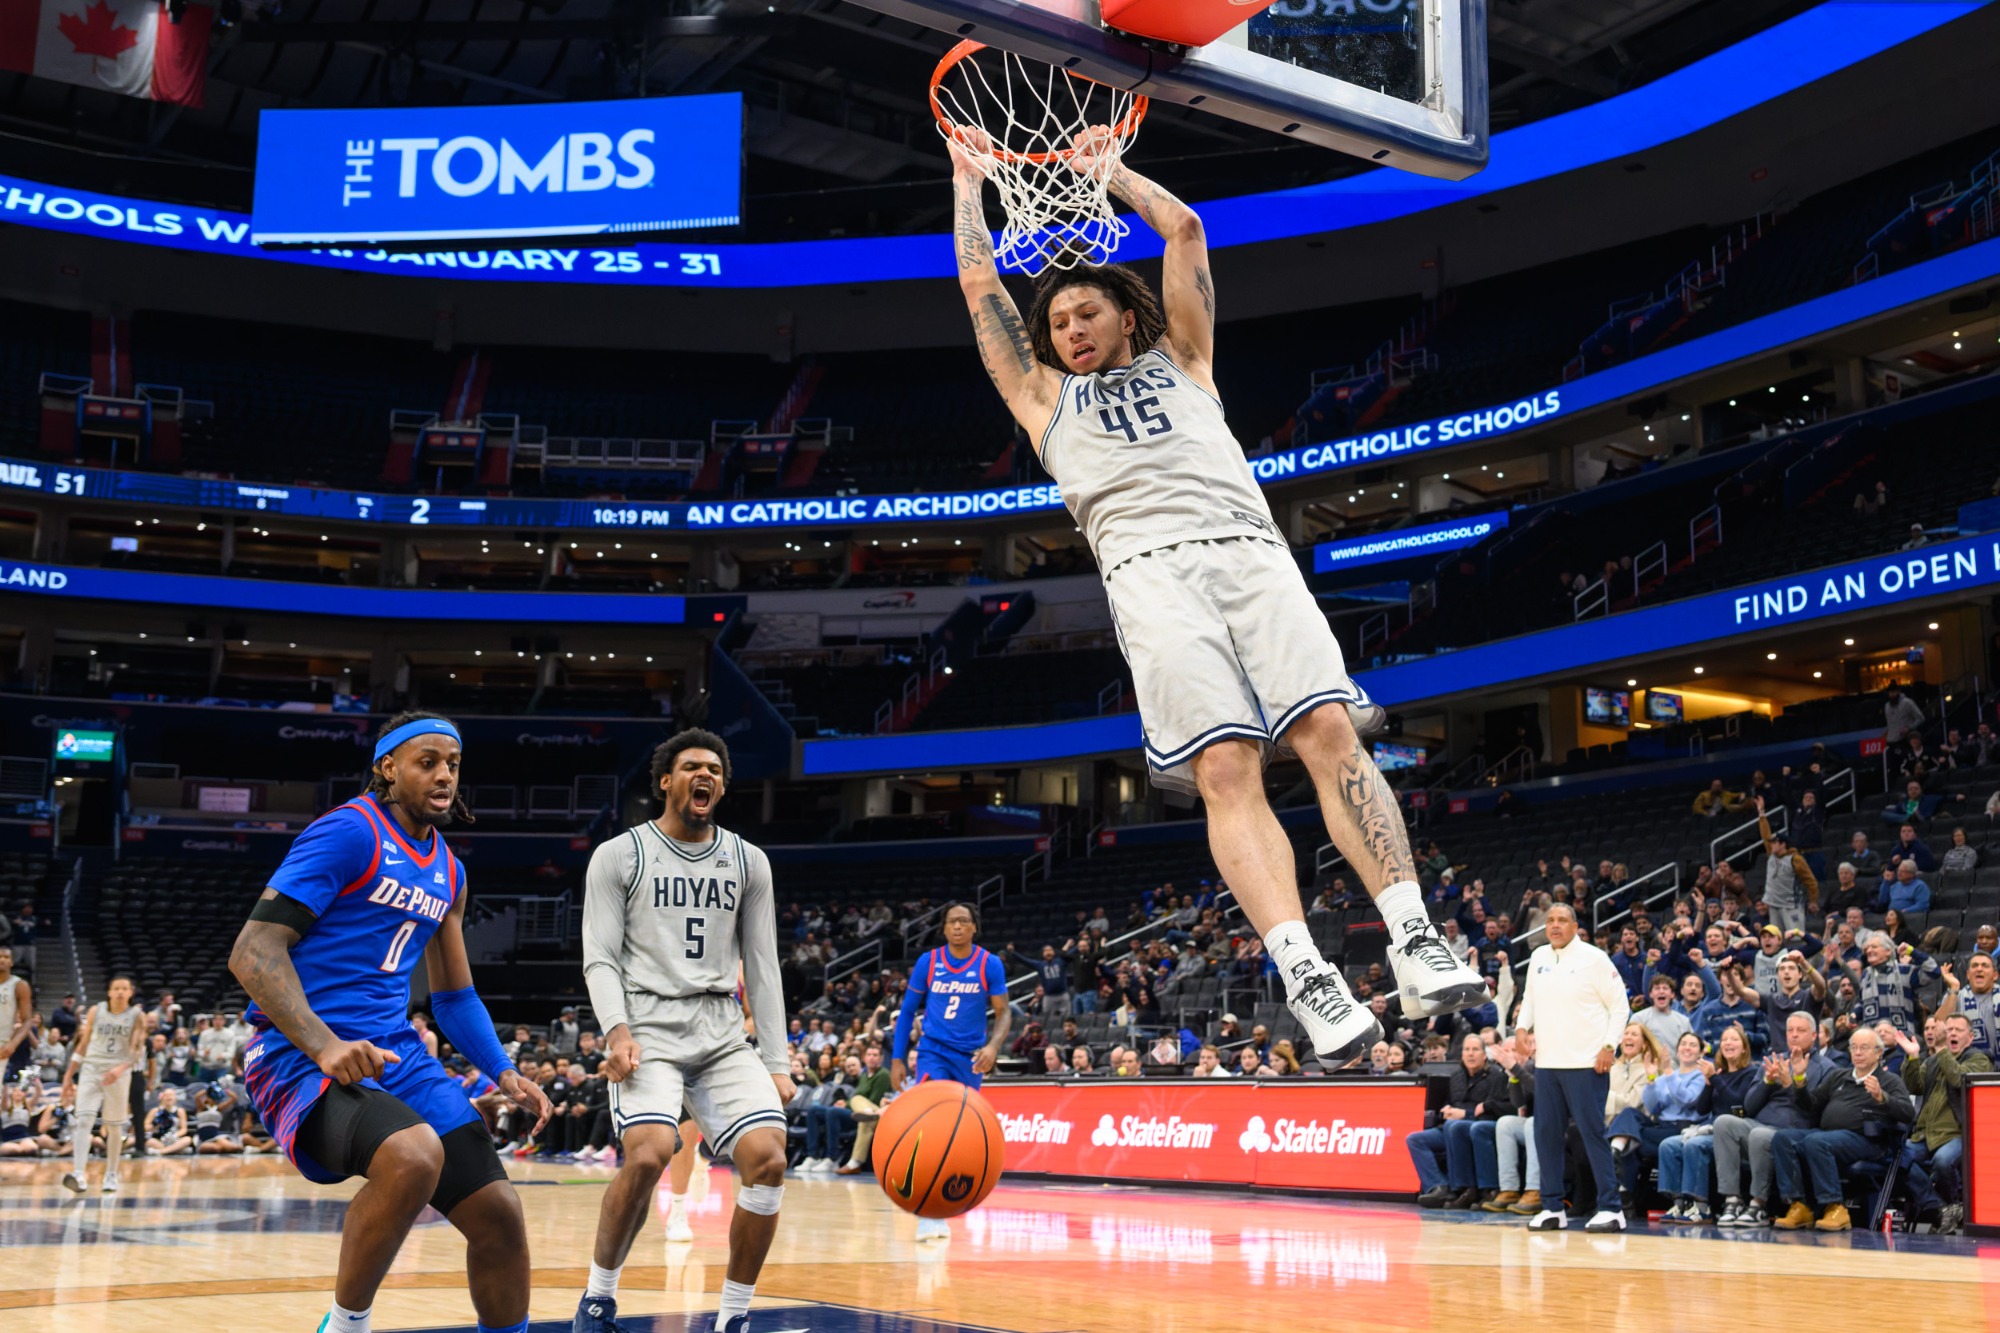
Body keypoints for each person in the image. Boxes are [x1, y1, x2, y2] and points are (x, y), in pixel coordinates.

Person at [945, 124, 1483, 1071]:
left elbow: (1185, 228)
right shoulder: (1039, 398)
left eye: (1085, 314)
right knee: (1226, 771)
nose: (1069, 330)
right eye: (1059, 322)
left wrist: (1107, 174)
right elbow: (982, 291)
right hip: (1149, 576)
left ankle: (1413, 933)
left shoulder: (1186, 358)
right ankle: (1310, 977)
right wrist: (966, 181)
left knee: (1329, 735)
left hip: (1250, 554)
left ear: (1125, 314)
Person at [229, 710, 550, 1333]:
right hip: (297, 1055)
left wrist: (503, 1072)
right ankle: (345, 1326)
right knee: (412, 1155)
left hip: (397, 1054)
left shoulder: (450, 872)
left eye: (452, 765)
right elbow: (253, 951)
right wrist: (324, 1045)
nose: (443, 776)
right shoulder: (350, 832)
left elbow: (454, 999)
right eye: (427, 762)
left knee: (500, 1215)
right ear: (388, 768)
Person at [576, 729, 795, 1333]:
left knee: (769, 1159)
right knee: (649, 1154)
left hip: (721, 1027)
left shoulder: (750, 861)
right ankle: (598, 1299)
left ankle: (734, 1318)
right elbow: (599, 955)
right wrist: (616, 1030)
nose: (707, 776)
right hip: (648, 1023)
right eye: (693, 767)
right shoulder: (620, 855)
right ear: (667, 781)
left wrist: (777, 1060)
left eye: (716, 770)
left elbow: (764, 963)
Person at [890, 899, 1010, 1238]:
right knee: (933, 1124)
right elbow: (908, 1011)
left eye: (964, 921)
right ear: (943, 928)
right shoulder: (929, 962)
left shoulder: (990, 964)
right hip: (933, 1053)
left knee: (960, 1135)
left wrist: (993, 1047)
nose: (957, 926)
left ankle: (945, 1202)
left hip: (970, 1058)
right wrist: (898, 1059)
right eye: (952, 922)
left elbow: (1004, 1013)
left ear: (974, 927)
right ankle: (928, 1212)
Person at [1515, 905, 1630, 1232]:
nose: (1554, 926)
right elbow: (1530, 1000)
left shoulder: (1594, 958)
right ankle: (1552, 1207)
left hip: (1586, 1064)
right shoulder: (1538, 957)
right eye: (1550, 920)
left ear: (1575, 926)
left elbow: (1620, 1006)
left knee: (1592, 1134)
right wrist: (1522, 1029)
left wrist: (1610, 1045)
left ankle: (1611, 1208)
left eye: (1561, 920)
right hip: (1548, 1064)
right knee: (1545, 1136)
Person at [1769, 1026, 1913, 1231]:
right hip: (1830, 1136)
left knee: (1816, 1142)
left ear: (1878, 1053)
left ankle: (1835, 1207)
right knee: (1782, 1138)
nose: (1858, 1052)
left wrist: (1883, 1098)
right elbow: (1811, 1106)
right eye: (1854, 1047)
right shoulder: (1839, 1076)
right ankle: (1798, 1205)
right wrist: (1799, 1080)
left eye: (1864, 1047)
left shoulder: (1889, 1080)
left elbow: (1908, 1114)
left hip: (1867, 1140)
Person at [1657, 1025, 1755, 1222]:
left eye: (1734, 1039)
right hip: (1710, 1126)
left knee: (1694, 1145)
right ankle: (1679, 1202)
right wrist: (1709, 1085)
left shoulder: (1751, 1073)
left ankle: (1701, 1206)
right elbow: (1702, 1109)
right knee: (1669, 1144)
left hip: (1731, 1134)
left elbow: (1739, 1105)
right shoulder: (1718, 1073)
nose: (1728, 1043)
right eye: (1725, 1039)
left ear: (1744, 1048)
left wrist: (1715, 1079)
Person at [60, 974, 145, 1194]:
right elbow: (84, 1043)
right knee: (83, 1119)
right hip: (91, 1069)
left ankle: (111, 1173)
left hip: (118, 1073)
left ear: (130, 992)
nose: (119, 992)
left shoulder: (137, 1016)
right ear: (109, 991)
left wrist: (120, 1068)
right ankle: (78, 1174)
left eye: (124, 988)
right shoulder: (96, 1011)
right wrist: (69, 1075)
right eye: (116, 988)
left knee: (115, 1126)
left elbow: (137, 1050)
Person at [1406, 1034, 1508, 1209]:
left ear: (1484, 1055)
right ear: (1461, 1054)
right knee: (1415, 1139)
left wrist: (1465, 1114)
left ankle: (1464, 1187)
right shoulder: (1456, 1076)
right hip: (1450, 1127)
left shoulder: (1496, 1077)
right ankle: (1439, 1186)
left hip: (1473, 1127)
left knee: (1456, 1127)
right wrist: (1446, 1110)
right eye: (1467, 1050)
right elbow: (1449, 1102)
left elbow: (1492, 1112)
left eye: (1475, 1050)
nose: (1470, 1054)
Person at [1484, 1031, 1541, 1215]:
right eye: (1529, 1043)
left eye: (1534, 1042)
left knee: (1532, 1123)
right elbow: (1519, 1103)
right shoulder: (1529, 1068)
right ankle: (1509, 1189)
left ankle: (1535, 1190)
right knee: (1505, 1123)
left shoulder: (1551, 1066)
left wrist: (1517, 1069)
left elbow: (1543, 1093)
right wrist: (1514, 1077)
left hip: (1559, 1122)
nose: (1532, 1047)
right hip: (1535, 1125)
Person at [1753, 797, 1817, 935]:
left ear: (1783, 844)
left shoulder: (1795, 859)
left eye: (1774, 842)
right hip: (1774, 905)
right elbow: (1765, 835)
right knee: (1777, 938)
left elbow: (1810, 881)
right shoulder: (1771, 854)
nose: (1771, 844)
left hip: (1791, 905)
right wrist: (1761, 813)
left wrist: (1813, 901)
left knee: (1795, 938)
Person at [0, 944, 31, 1084]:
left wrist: (13, 1043)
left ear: (11, 962)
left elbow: (27, 1020)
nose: (2, 960)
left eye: (6, 957)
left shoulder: (19, 985)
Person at [146, 1085, 194, 1156]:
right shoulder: (155, 1111)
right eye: (166, 1095)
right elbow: (145, 1127)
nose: (169, 1097)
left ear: (175, 1098)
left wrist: (174, 1136)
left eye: (171, 1095)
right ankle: (174, 1150)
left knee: (188, 1139)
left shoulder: (180, 1111)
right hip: (158, 1139)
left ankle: (161, 1152)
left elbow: (184, 1129)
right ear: (162, 1097)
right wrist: (155, 1124)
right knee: (149, 1141)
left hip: (173, 1139)